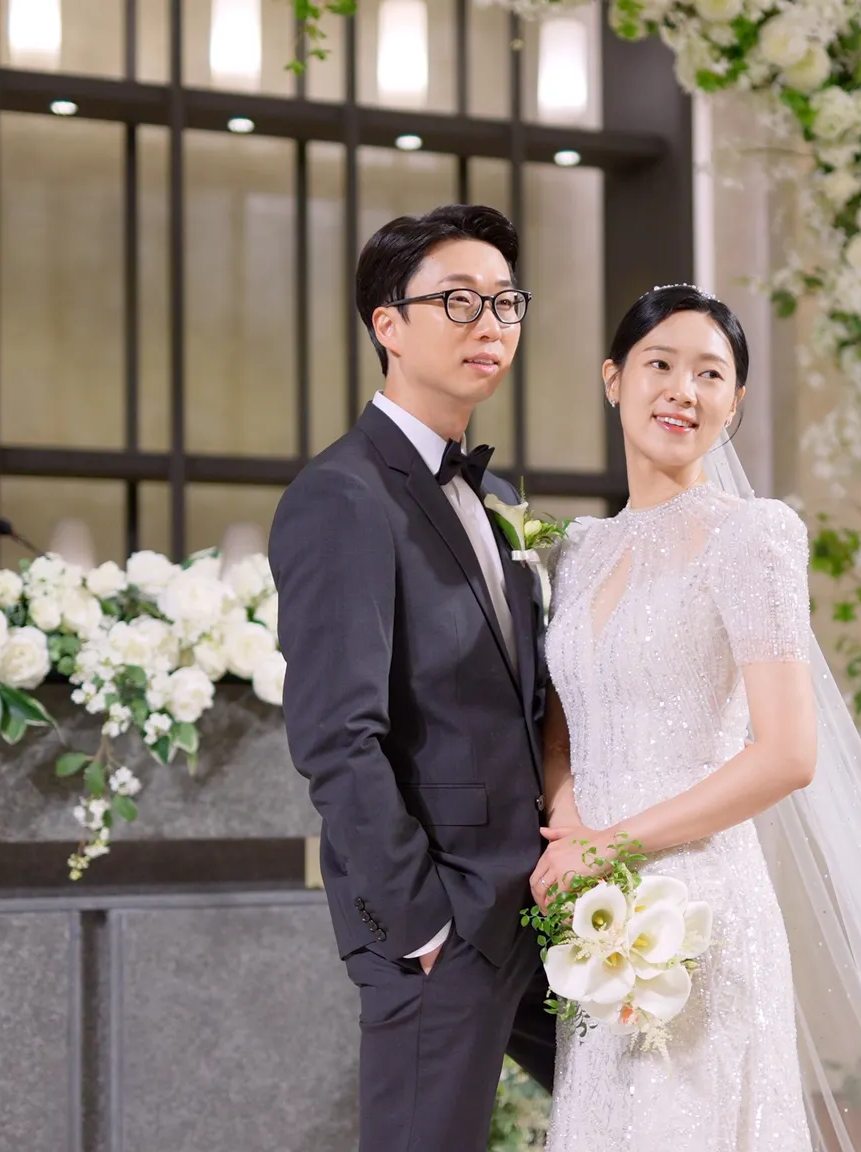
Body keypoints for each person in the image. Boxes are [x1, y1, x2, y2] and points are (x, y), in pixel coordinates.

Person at [536, 284, 861, 1150]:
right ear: (613, 378)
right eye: (660, 364)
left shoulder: (753, 537)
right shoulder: (582, 549)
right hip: (597, 911)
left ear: (734, 402)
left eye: (711, 374)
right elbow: (563, 722)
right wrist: (569, 827)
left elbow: (787, 753)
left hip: (699, 905)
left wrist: (612, 845)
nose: (683, 391)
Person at [270, 204, 555, 1152]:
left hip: (540, 905)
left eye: (506, 302)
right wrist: (418, 922)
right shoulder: (342, 495)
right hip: (443, 915)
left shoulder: (496, 497)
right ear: (387, 324)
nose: (491, 324)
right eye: (459, 301)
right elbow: (335, 736)